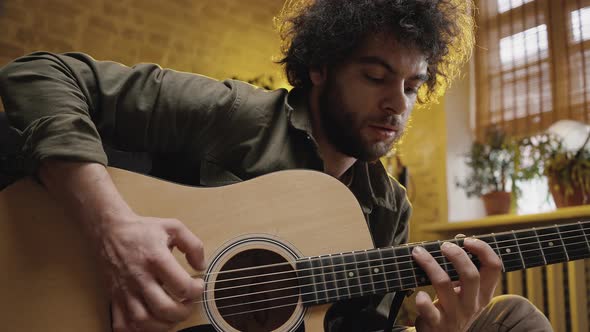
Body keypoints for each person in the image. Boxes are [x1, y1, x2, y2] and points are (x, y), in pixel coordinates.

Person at [0, 0, 553, 331]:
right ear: (319, 68)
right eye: (376, 76)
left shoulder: (388, 207)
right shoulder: (235, 115)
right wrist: (111, 228)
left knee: (515, 316)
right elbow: (40, 74)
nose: (397, 105)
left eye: (412, 86)